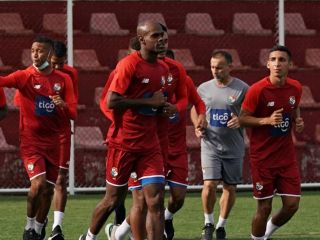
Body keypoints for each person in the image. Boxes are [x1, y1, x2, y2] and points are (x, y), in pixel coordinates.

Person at [79, 20, 169, 240]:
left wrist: (162, 108)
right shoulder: (128, 65)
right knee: (113, 199)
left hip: (149, 146)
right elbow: (112, 101)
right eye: (156, 36)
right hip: (124, 144)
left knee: (156, 201)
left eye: (163, 36)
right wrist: (150, 104)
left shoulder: (164, 69)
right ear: (142, 40)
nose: (162, 40)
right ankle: (89, 236)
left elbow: (153, 102)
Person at [0, 35, 77, 240]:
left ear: (50, 54)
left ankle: (40, 227)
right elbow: (3, 81)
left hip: (54, 143)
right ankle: (29, 225)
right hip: (31, 142)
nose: (35, 54)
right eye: (33, 50)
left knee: (49, 190)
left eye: (40, 50)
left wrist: (63, 105)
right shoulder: (25, 76)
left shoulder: (64, 80)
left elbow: (74, 113)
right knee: (38, 184)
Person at [239, 45, 304, 240]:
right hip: (263, 159)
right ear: (267, 64)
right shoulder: (257, 90)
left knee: (292, 205)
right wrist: (266, 120)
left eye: (282, 60)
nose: (277, 64)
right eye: (273, 60)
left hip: (286, 158)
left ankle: (266, 232)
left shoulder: (296, 87)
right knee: (264, 207)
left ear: (290, 64)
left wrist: (297, 120)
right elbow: (242, 119)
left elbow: (294, 106)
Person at [191, 50, 249, 240]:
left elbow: (251, 114)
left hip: (234, 146)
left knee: (230, 188)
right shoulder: (203, 88)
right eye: (212, 67)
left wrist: (241, 120)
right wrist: (197, 126)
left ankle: (221, 226)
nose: (215, 70)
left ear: (230, 67)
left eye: (219, 67)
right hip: (210, 145)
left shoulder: (242, 89)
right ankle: (208, 223)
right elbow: (195, 110)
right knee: (209, 184)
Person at [49, 40, 79, 240]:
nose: (57, 68)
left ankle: (56, 228)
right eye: (53, 63)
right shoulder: (33, 74)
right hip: (39, 134)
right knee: (42, 183)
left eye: (60, 63)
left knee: (60, 178)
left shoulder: (70, 74)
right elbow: (20, 101)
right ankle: (37, 224)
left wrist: (64, 106)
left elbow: (73, 107)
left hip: (61, 131)